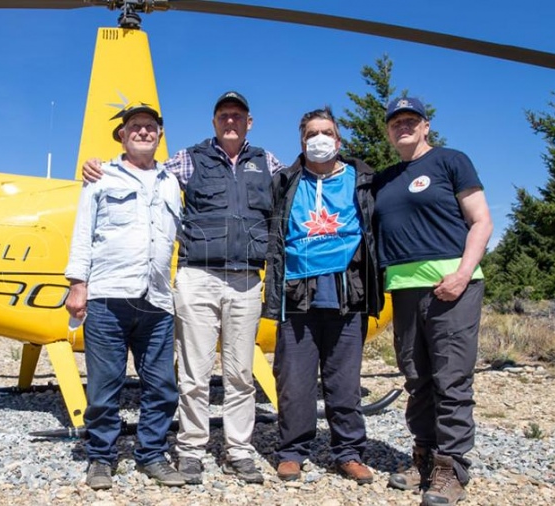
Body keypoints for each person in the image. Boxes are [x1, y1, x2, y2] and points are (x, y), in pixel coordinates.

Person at [83, 91, 283, 485]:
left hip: (246, 279)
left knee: (242, 373)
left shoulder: (268, 162)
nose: (230, 121)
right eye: (223, 115)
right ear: (213, 122)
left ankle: (239, 450)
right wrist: (99, 167)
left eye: (238, 116)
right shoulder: (188, 160)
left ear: (249, 122)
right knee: (194, 372)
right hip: (197, 277)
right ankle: (191, 448)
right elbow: (143, 172)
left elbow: (297, 187)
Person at [374, 97, 493, 506]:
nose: (403, 127)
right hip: (404, 290)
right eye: (395, 122)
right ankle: (423, 455)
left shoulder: (450, 161)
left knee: (451, 377)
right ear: (388, 131)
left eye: (411, 120)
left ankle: (452, 467)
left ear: (425, 126)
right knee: (416, 376)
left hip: (453, 286)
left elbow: (481, 220)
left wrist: (462, 274)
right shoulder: (384, 179)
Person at [65, 102, 186, 490]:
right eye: (135, 126)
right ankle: (100, 457)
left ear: (160, 134)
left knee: (162, 386)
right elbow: (83, 231)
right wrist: (76, 284)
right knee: (104, 386)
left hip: (156, 300)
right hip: (107, 297)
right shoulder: (100, 177)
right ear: (122, 134)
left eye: (150, 126)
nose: (143, 132)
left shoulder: (171, 181)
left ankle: (151, 454)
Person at [262, 107, 383, 485]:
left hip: (348, 290)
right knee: (293, 380)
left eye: (326, 132)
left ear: (338, 140)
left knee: (344, 380)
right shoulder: (284, 180)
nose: (319, 139)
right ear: (302, 141)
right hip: (296, 292)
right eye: (312, 133)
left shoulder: (363, 180)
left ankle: (348, 452)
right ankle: (291, 452)